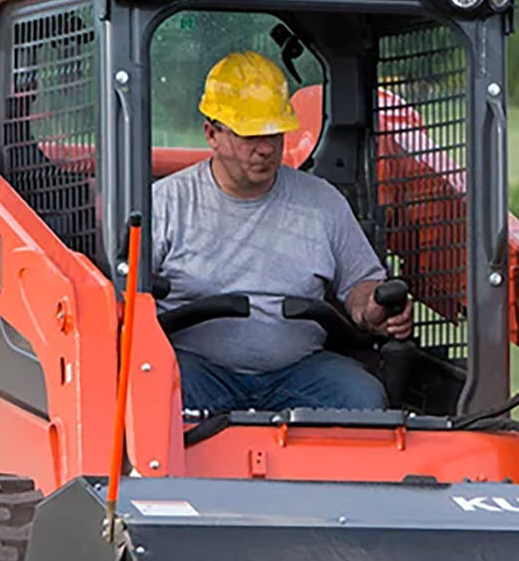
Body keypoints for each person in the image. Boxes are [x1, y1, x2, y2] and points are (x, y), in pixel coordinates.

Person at [153, 51, 414, 412]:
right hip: (198, 372)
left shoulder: (322, 202)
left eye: (274, 134)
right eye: (250, 135)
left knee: (362, 397)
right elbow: (125, 299)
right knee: (156, 394)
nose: (265, 149)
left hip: (298, 372)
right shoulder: (166, 204)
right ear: (212, 134)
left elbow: (360, 284)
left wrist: (373, 308)